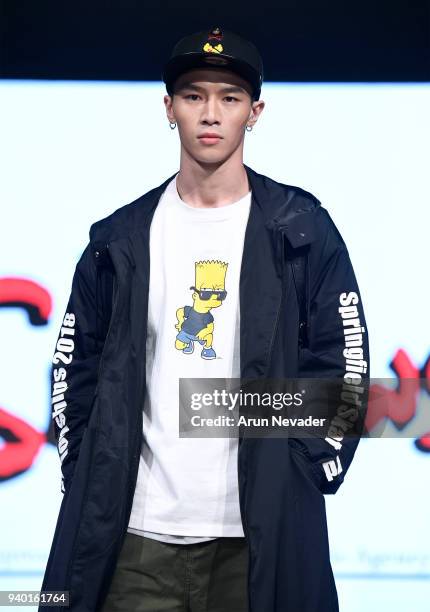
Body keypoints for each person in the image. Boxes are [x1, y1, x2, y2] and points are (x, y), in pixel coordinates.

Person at [40, 26, 370, 612]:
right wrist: (85, 467)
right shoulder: (118, 238)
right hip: (135, 535)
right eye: (194, 96)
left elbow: (343, 360)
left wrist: (305, 465)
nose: (211, 114)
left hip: (256, 536)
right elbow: (74, 366)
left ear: (255, 111)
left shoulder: (301, 228)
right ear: (169, 109)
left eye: (229, 97)